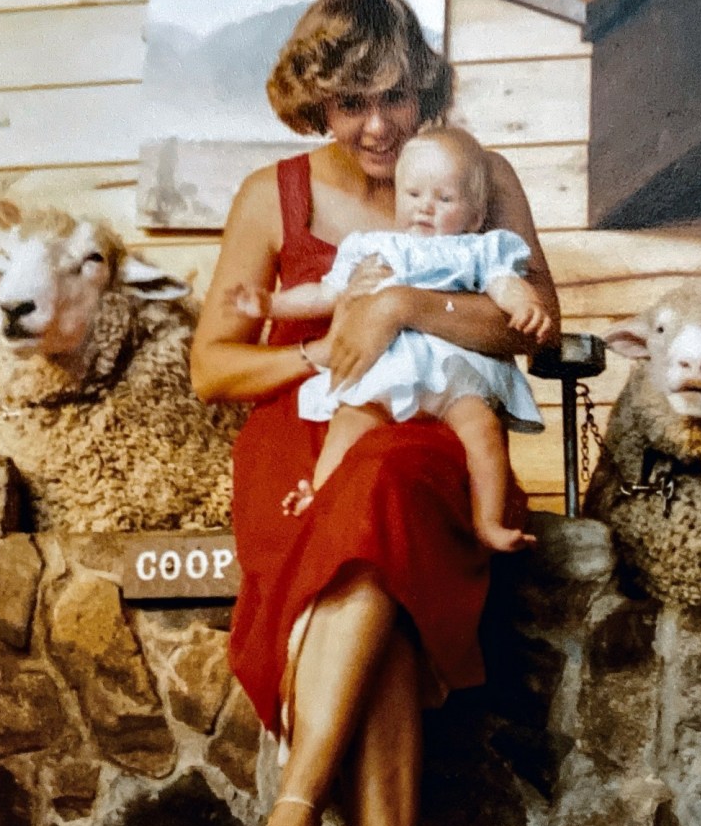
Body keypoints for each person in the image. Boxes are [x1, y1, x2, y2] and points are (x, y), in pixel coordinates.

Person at [187, 0, 560, 826]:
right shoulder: (272, 196)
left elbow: (534, 324)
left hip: (434, 434)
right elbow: (213, 368)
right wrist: (323, 351)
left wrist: (398, 306)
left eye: (394, 96)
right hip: (306, 440)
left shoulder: (483, 175)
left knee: (386, 494)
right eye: (351, 103)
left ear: (422, 87)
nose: (379, 125)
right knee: (374, 589)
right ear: (316, 103)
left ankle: (295, 813)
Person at [232, 126, 554, 552]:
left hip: (455, 374)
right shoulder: (375, 248)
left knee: (482, 429)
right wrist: (272, 304)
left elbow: (504, 284)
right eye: (413, 194)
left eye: (444, 199)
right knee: (350, 420)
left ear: (475, 217)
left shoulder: (476, 250)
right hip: (387, 369)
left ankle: (488, 521)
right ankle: (319, 494)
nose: (425, 207)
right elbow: (326, 294)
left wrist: (525, 303)